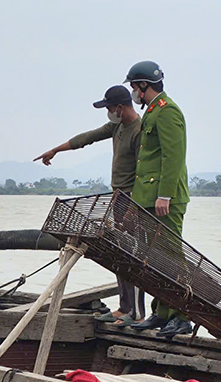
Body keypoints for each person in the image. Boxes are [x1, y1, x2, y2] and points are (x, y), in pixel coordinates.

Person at [33, 85, 144, 326]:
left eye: (109, 108)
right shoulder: (117, 127)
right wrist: (56, 150)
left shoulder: (139, 130)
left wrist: (134, 207)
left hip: (132, 198)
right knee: (118, 254)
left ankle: (136, 313)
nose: (108, 112)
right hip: (118, 196)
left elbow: (143, 172)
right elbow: (87, 138)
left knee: (132, 255)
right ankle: (124, 307)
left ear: (120, 108)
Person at [122, 60, 193, 338]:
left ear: (144, 85)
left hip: (165, 200)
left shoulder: (167, 111)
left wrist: (165, 195)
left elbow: (173, 157)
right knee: (154, 259)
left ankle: (181, 317)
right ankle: (162, 313)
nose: (132, 92)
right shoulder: (152, 112)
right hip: (149, 200)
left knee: (172, 257)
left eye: (133, 86)